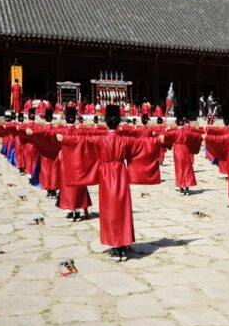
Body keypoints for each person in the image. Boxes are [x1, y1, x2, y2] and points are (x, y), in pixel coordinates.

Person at [57, 104, 161, 262]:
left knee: (110, 210)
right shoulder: (124, 140)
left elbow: (81, 142)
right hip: (121, 173)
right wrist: (157, 141)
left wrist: (64, 139)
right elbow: (142, 144)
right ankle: (123, 244)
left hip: (106, 175)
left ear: (106, 122)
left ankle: (115, 245)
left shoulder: (100, 139)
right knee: (122, 208)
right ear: (118, 122)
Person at [163, 114, 203, 195]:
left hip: (177, 150)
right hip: (185, 150)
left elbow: (165, 137)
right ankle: (187, 188)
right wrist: (202, 136)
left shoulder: (173, 132)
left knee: (179, 169)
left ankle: (181, 187)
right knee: (187, 168)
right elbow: (197, 136)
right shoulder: (187, 132)